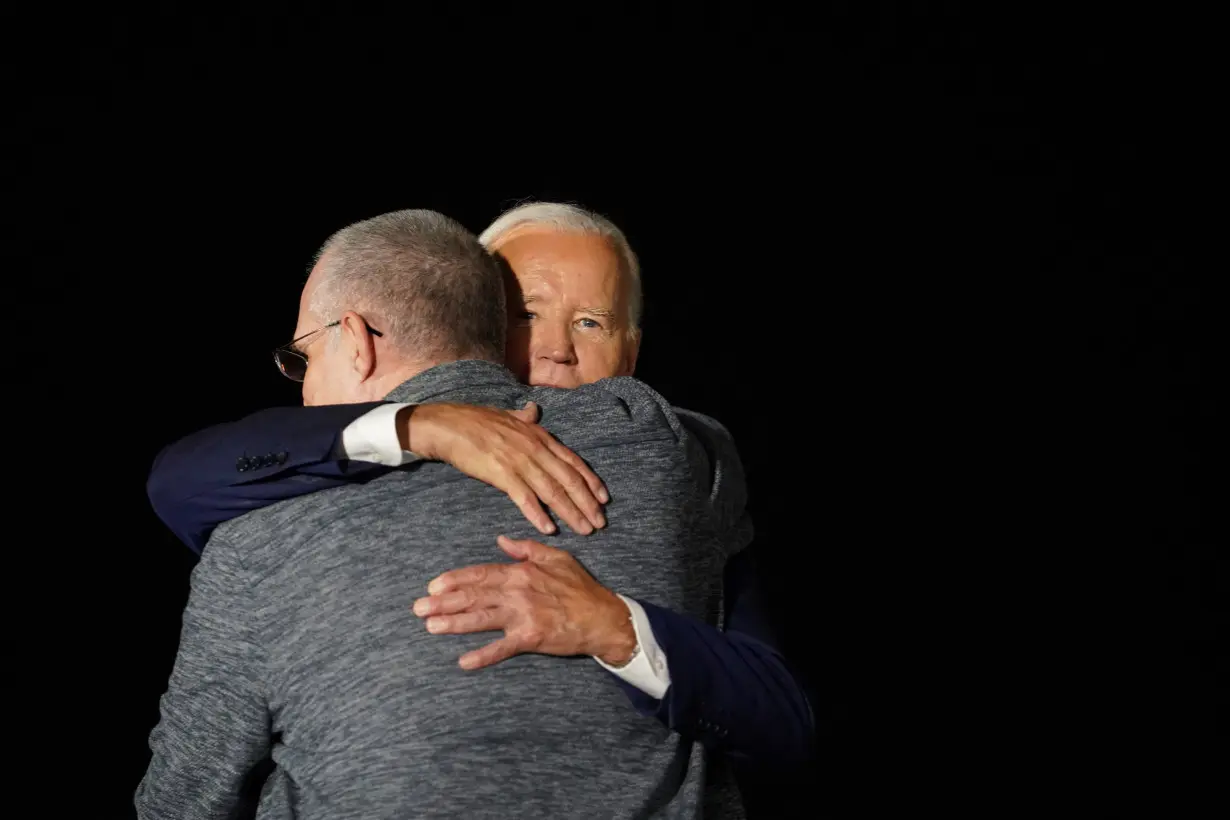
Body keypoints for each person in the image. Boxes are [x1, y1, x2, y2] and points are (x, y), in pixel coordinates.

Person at [136, 209, 767, 818]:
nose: (553, 350)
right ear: (488, 326)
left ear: (355, 340)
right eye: (527, 314)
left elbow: (186, 796)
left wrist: (617, 627)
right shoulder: (670, 449)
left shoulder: (259, 527)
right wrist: (419, 424)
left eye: (591, 323)